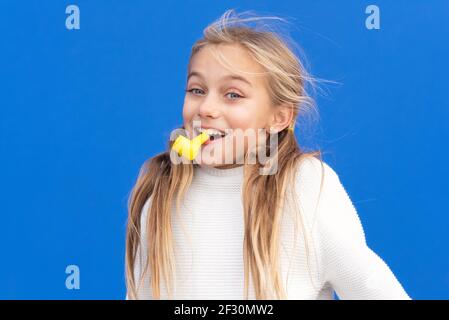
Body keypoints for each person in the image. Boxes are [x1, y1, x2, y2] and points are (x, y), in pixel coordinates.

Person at [125, 9, 411, 300]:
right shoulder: (159, 193)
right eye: (197, 90)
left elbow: (373, 288)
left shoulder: (306, 188)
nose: (206, 108)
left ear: (279, 118)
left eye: (233, 94)